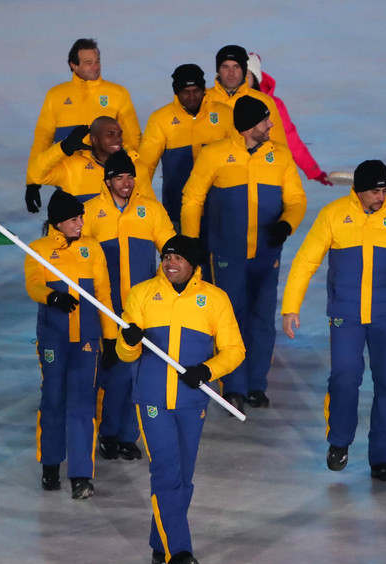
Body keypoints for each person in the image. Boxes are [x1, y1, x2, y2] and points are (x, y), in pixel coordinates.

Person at [281, 160, 386, 481]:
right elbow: (305, 261)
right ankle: (339, 441)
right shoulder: (334, 216)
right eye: (374, 191)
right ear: (358, 190)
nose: (381, 197)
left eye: (384, 190)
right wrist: (290, 306)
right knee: (344, 377)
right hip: (346, 317)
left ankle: (383, 457)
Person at [116, 234, 244, 564]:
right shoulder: (141, 294)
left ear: (193, 265)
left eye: (177, 258)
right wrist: (127, 342)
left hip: (191, 403)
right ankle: (181, 553)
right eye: (166, 257)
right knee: (166, 473)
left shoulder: (214, 300)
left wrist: (207, 370)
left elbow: (234, 350)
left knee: (183, 479)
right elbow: (125, 355)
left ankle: (161, 544)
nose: (169, 263)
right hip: (153, 400)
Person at [181, 95, 306, 411]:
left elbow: (296, 200)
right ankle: (233, 385)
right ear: (251, 125)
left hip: (266, 255)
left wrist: (286, 225)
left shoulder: (279, 156)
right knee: (230, 319)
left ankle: (256, 386)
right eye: (265, 120)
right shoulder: (215, 155)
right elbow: (192, 199)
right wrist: (191, 243)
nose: (270, 125)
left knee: (262, 320)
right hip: (227, 255)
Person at [82, 150, 175, 461]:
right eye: (120, 177)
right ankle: (108, 433)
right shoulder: (91, 212)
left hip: (142, 308)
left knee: (139, 372)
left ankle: (127, 436)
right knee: (114, 374)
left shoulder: (151, 211)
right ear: (107, 180)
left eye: (130, 176)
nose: (126, 182)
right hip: (106, 309)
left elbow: (171, 251)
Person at [24, 190, 116, 499]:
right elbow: (33, 284)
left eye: (81, 218)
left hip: (86, 341)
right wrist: (52, 296)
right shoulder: (38, 249)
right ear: (59, 222)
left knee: (82, 405)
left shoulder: (93, 248)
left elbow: (103, 295)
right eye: (75, 219)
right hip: (53, 339)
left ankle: (80, 475)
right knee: (52, 400)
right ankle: (50, 464)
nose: (81, 223)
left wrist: (111, 337)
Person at [25, 38, 141, 214]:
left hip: (106, 177)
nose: (95, 67)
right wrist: (32, 182)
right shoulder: (56, 96)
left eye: (97, 61)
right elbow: (43, 138)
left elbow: (133, 139)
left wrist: (130, 170)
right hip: (69, 179)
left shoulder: (118, 94)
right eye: (88, 63)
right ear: (73, 65)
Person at [138, 64, 232, 230]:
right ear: (176, 92)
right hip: (177, 211)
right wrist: (146, 206)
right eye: (185, 92)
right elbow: (145, 168)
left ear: (204, 89)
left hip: (220, 211)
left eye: (196, 90)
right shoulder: (160, 119)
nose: (191, 97)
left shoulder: (225, 115)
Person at [246, 52, 332, 186]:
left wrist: (313, 170)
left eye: (246, 75)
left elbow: (291, 139)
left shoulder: (274, 105)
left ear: (255, 78)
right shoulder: (217, 101)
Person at [27, 116, 153, 204]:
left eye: (119, 134)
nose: (118, 140)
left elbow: (151, 212)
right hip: (84, 241)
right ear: (95, 139)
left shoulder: (136, 167)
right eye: (110, 135)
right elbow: (35, 175)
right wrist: (63, 147)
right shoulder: (73, 167)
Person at [203, 45, 288, 148]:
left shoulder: (264, 101)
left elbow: (279, 147)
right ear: (218, 70)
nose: (231, 73)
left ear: (244, 69)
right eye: (225, 67)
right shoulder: (203, 100)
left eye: (236, 67)